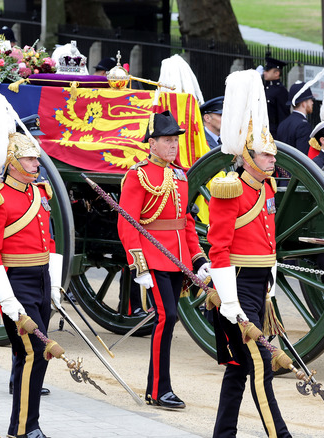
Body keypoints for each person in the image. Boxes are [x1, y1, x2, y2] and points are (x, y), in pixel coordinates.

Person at [0, 91, 62, 438]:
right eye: (29, 161)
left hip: (39, 279)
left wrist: (53, 285)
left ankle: (26, 425)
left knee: (39, 356)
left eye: (36, 160)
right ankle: (24, 428)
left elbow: (50, 242)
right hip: (15, 283)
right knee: (33, 352)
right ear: (11, 162)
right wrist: (6, 298)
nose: (36, 165)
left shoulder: (38, 194)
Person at [207, 69, 290, 438]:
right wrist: (231, 303)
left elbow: (268, 241)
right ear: (247, 156)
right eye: (264, 154)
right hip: (237, 285)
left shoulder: (268, 190)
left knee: (239, 369)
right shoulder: (229, 189)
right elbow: (219, 249)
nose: (272, 159)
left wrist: (269, 283)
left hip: (258, 283)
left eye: (272, 154)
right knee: (260, 365)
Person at [118, 110, 208, 409]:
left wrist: (197, 258)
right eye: (167, 140)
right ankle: (158, 389)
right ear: (152, 144)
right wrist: (137, 262)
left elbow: (186, 222)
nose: (173, 145)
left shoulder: (180, 174)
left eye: (175, 140)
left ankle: (159, 387)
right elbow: (127, 222)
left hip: (177, 257)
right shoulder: (138, 174)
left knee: (169, 318)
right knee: (166, 316)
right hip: (152, 257)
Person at [276, 81, 314, 155]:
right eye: (310, 100)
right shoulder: (303, 126)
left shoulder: (283, 123)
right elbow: (303, 157)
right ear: (303, 103)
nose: (312, 103)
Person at [262, 57, 289, 138]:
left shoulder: (281, 91)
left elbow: (283, 117)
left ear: (276, 73)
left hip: (272, 134)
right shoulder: (264, 87)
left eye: (267, 70)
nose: (264, 73)